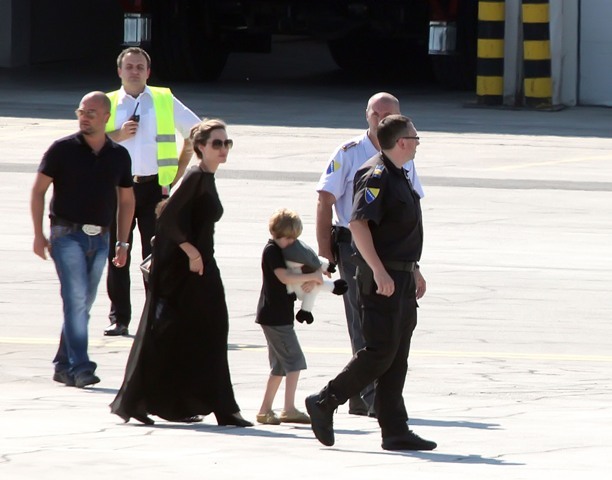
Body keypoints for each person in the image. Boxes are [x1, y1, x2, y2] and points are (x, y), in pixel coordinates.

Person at [306, 114, 437, 451]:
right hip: (382, 278)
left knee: (397, 354)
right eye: (415, 137)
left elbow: (400, 232)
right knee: (380, 351)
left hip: (401, 275)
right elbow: (358, 224)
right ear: (402, 142)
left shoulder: (400, 172)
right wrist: (378, 270)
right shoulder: (375, 174)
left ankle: (394, 430)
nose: (418, 143)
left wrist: (413, 269)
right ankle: (325, 400)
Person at [110, 118, 252, 427]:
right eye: (217, 143)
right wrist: (192, 252)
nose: (223, 149)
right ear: (201, 147)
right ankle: (221, 408)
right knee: (203, 331)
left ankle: (179, 403)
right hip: (188, 271)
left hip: (199, 268)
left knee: (188, 336)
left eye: (227, 143)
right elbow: (167, 218)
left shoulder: (206, 177)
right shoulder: (196, 176)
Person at [31, 91, 135, 388]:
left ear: (106, 117)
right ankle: (81, 367)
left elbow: (127, 200)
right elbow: (38, 191)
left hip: (100, 239)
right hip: (66, 235)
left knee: (82, 304)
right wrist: (38, 234)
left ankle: (63, 364)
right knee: (76, 300)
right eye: (81, 112)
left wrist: (123, 242)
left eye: (91, 112)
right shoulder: (62, 149)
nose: (84, 117)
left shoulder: (118, 155)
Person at [103, 46, 200, 337]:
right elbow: (87, 141)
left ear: (148, 71)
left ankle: (155, 315)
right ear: (119, 71)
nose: (134, 71)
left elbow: (197, 131)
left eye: (139, 67)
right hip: (119, 190)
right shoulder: (107, 102)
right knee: (117, 254)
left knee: (155, 254)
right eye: (129, 67)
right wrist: (117, 135)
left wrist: (178, 172)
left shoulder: (163, 99)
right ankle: (119, 317)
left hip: (154, 189)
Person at [255, 208, 323, 426]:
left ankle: (265, 410)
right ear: (278, 233)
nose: (292, 243)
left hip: (277, 314)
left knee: (279, 367)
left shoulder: (281, 250)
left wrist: (310, 279)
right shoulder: (272, 251)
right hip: (275, 316)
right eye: (289, 238)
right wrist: (315, 275)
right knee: (294, 362)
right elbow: (284, 277)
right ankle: (289, 408)